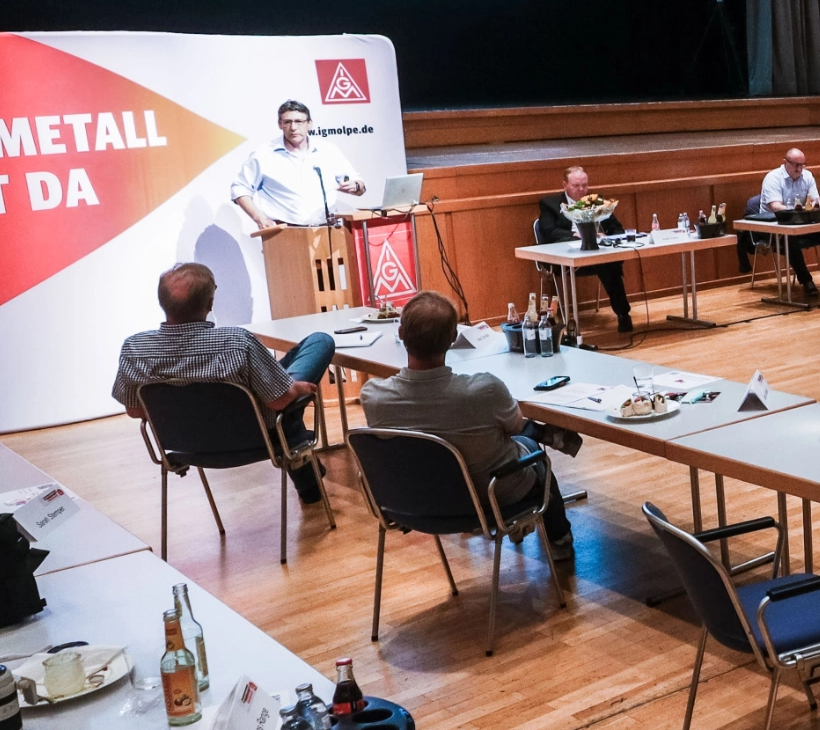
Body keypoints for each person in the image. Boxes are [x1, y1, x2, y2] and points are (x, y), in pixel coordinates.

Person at [359, 291, 573, 558]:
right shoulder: (483, 391)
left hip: (414, 503)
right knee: (530, 446)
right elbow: (516, 425)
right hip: (490, 500)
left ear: (401, 333)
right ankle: (560, 541)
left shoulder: (374, 397)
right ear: (453, 338)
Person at [113, 263, 333, 504]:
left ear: (162, 302)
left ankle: (307, 477)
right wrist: (297, 388)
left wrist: (185, 408)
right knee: (318, 344)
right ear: (209, 304)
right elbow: (279, 401)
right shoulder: (237, 342)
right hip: (258, 439)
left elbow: (135, 410)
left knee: (278, 398)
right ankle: (307, 476)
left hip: (185, 445)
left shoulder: (134, 349)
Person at [231, 100, 367, 229]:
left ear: (309, 124)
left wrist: (355, 186)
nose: (293, 128)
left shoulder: (328, 150)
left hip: (329, 229)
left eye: (299, 121)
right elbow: (240, 189)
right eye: (287, 122)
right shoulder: (264, 154)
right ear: (280, 124)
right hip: (286, 232)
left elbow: (359, 185)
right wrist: (259, 218)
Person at [534, 166, 632, 334]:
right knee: (606, 264)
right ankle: (572, 327)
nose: (581, 190)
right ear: (565, 185)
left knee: (607, 264)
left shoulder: (597, 203)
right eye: (576, 186)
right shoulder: (550, 204)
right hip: (564, 257)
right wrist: (576, 235)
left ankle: (623, 314)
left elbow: (618, 230)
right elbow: (549, 232)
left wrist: (604, 237)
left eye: (585, 186)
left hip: (596, 255)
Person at [759, 148, 820, 298]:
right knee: (790, 238)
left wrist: (814, 207)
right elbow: (775, 207)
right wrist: (799, 211)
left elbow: (817, 202)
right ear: (785, 163)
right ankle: (806, 281)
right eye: (796, 165)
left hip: (801, 224)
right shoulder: (773, 178)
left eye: (803, 165)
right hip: (774, 228)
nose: (799, 169)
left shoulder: (807, 176)